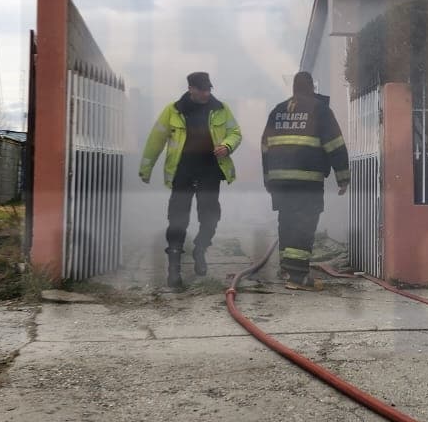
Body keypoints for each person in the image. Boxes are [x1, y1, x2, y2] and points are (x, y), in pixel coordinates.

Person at [139, 72, 242, 290]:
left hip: (210, 172)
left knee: (210, 217)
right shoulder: (173, 111)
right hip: (182, 173)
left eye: (208, 89)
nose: (206, 93)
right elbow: (155, 140)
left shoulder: (220, 109)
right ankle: (173, 270)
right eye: (202, 89)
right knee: (177, 219)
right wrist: (146, 168)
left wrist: (228, 145)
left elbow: (235, 132)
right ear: (191, 89)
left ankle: (200, 249)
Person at [261, 71, 349, 291]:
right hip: (306, 182)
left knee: (287, 221)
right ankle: (298, 276)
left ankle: (286, 270)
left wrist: (267, 180)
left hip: (280, 182)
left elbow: (265, 148)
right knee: (304, 224)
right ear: (312, 88)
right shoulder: (320, 110)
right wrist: (343, 177)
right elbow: (335, 145)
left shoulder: (277, 111)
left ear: (293, 88)